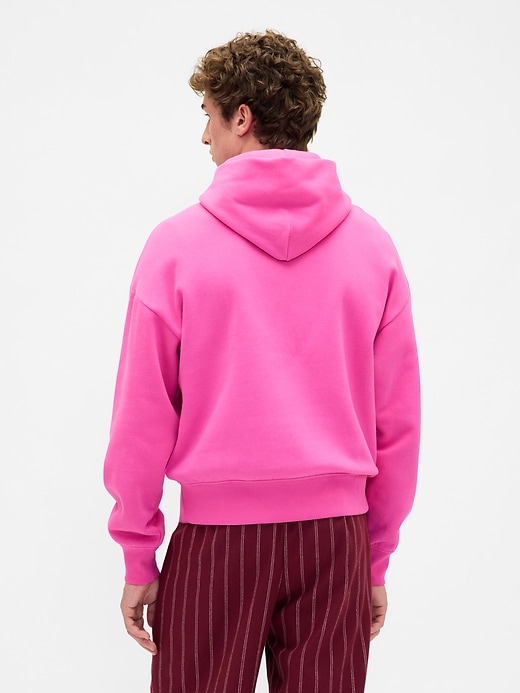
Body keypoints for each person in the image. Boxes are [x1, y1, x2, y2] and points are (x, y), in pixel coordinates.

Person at [103, 29, 420, 693]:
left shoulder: (175, 246)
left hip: (217, 541)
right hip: (334, 543)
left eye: (210, 117)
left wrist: (138, 552)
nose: (204, 136)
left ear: (241, 117)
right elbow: (398, 422)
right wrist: (373, 557)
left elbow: (142, 415)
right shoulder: (373, 247)